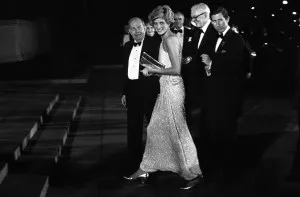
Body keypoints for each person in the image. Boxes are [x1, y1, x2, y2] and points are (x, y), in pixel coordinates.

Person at [123, 5, 202, 190]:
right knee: (154, 129)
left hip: (173, 90)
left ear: (168, 22)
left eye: (161, 23)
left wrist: (152, 70)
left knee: (177, 132)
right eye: (155, 23)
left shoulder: (171, 39)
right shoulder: (164, 38)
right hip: (165, 89)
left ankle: (192, 173)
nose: (158, 26)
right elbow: (168, 66)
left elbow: (176, 70)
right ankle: (145, 168)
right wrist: (155, 70)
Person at [200, 6, 246, 181]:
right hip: (213, 95)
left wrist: (212, 63)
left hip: (228, 96)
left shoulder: (236, 39)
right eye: (214, 20)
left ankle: (230, 170)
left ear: (228, 19)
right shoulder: (212, 38)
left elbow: (235, 66)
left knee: (227, 132)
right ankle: (216, 166)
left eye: (221, 20)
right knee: (214, 131)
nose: (217, 24)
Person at [121, 17, 161, 169]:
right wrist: (124, 92)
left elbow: (164, 68)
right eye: (133, 28)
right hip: (132, 93)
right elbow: (125, 72)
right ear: (129, 31)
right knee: (133, 129)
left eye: (139, 27)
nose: (137, 31)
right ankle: (134, 161)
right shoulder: (126, 46)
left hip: (151, 93)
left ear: (145, 27)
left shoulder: (156, 44)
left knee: (154, 129)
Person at [185, 2, 218, 177]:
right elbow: (192, 56)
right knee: (198, 130)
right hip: (195, 91)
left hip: (211, 92)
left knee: (209, 130)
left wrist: (213, 66)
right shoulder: (195, 33)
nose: (193, 20)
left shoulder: (218, 33)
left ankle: (209, 168)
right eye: (191, 17)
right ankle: (199, 165)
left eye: (195, 17)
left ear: (205, 16)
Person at [170, 11, 195, 128]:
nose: (177, 21)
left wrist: (190, 57)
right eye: (175, 19)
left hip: (188, 71)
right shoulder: (167, 33)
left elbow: (197, 49)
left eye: (180, 19)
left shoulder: (191, 32)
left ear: (184, 19)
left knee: (187, 97)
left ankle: (187, 123)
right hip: (172, 70)